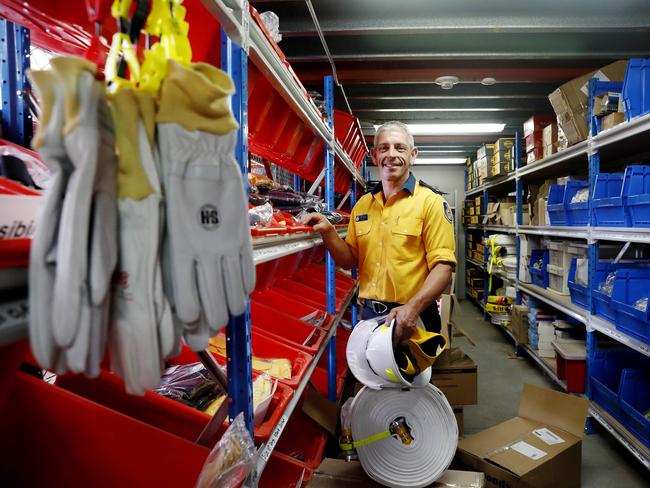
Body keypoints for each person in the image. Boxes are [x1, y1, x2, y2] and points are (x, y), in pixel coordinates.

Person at [302, 121, 456, 344]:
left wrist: (412, 308)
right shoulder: (363, 206)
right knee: (375, 378)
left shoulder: (430, 203)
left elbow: (443, 267)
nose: (391, 154)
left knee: (412, 378)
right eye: (384, 148)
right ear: (374, 156)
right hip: (371, 316)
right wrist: (328, 231)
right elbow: (349, 260)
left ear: (413, 155)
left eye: (399, 148)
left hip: (414, 315)